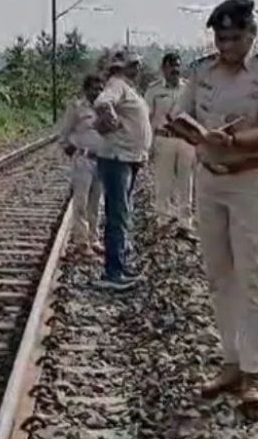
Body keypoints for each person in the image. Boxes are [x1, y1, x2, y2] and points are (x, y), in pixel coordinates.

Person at [174, 0, 258, 416]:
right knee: (219, 275)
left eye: (235, 36)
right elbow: (181, 114)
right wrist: (192, 132)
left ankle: (255, 373)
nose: (226, 44)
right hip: (210, 178)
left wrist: (234, 140)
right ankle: (230, 361)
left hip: (253, 179)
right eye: (220, 37)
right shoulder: (201, 71)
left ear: (251, 35)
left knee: (254, 275)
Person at [92, 50, 153, 290]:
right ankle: (112, 272)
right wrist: (110, 119)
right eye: (133, 65)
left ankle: (119, 264)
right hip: (117, 159)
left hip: (127, 158)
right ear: (121, 67)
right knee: (117, 215)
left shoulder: (126, 87)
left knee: (122, 214)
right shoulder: (116, 85)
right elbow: (102, 102)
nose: (137, 69)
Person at [147, 52, 196, 239]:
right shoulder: (154, 90)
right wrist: (149, 144)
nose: (175, 69)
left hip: (185, 141)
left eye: (178, 65)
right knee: (163, 182)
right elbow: (148, 117)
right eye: (171, 66)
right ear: (164, 68)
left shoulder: (188, 89)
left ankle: (185, 224)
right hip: (164, 139)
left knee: (186, 183)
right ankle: (163, 221)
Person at [56, 74, 106, 257]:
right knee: (81, 201)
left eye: (101, 88)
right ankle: (81, 241)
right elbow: (64, 133)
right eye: (94, 88)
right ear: (86, 90)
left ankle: (94, 239)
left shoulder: (106, 108)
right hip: (83, 159)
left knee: (96, 202)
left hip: (101, 160)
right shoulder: (77, 108)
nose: (98, 91)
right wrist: (71, 150)